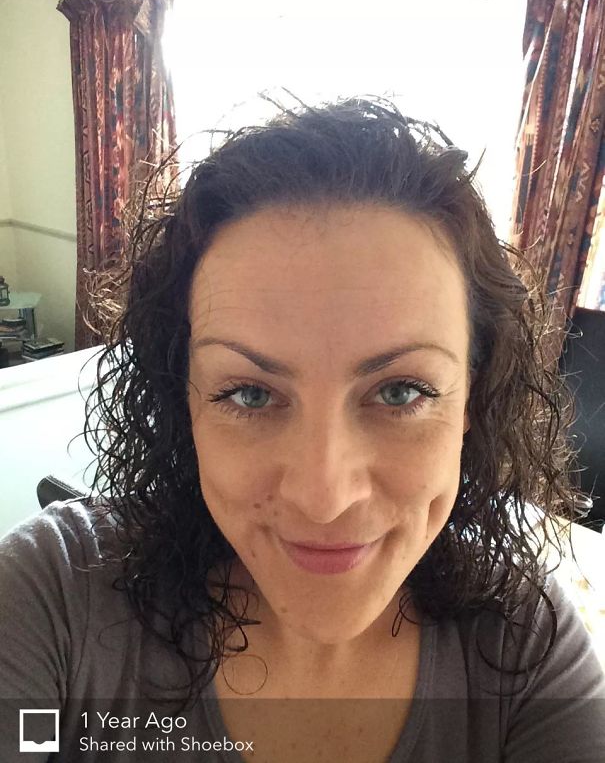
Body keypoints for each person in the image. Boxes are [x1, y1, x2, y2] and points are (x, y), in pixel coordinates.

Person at [1, 95, 604, 763]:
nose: (323, 496)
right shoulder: (51, 597)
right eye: (251, 393)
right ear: (186, 404)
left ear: (470, 401)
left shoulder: (523, 647)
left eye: (400, 391)